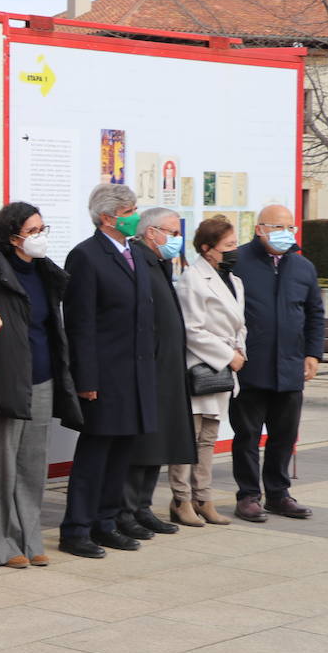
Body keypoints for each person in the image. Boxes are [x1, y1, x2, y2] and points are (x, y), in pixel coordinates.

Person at [0, 202, 81, 568]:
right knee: (1, 467)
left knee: (32, 466)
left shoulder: (48, 275)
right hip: (6, 382)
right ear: (12, 237)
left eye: (42, 229)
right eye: (33, 231)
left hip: (43, 379)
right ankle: (1, 545)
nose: (40, 237)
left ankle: (31, 538)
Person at [59, 184, 157, 558]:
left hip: (135, 375)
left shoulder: (134, 252)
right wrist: (86, 380)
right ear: (108, 217)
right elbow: (80, 323)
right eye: (130, 210)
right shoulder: (85, 256)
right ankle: (77, 529)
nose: (136, 215)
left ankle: (106, 522)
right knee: (95, 455)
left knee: (121, 454)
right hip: (104, 377)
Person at [229, 205, 325, 521]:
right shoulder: (238, 261)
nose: (286, 234)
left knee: (284, 435)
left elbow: (314, 314)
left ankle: (278, 494)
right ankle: (248, 496)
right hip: (250, 366)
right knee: (247, 436)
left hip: (290, 367)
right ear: (259, 229)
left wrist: (312, 354)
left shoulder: (302, 267)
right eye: (277, 227)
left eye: (290, 228)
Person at [121, 208, 196, 538]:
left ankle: (143, 506)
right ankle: (126, 510)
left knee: (159, 442)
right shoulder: (136, 261)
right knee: (141, 445)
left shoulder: (160, 262)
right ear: (151, 232)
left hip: (166, 367)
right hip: (145, 368)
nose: (176, 239)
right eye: (171, 231)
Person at [170, 217, 246, 526]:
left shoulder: (234, 280)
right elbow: (192, 329)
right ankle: (180, 498)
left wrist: (238, 351)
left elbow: (240, 324)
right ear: (207, 249)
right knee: (191, 434)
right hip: (201, 365)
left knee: (209, 436)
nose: (234, 250)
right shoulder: (193, 278)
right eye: (228, 245)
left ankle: (204, 496)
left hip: (226, 364)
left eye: (234, 244)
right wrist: (228, 356)